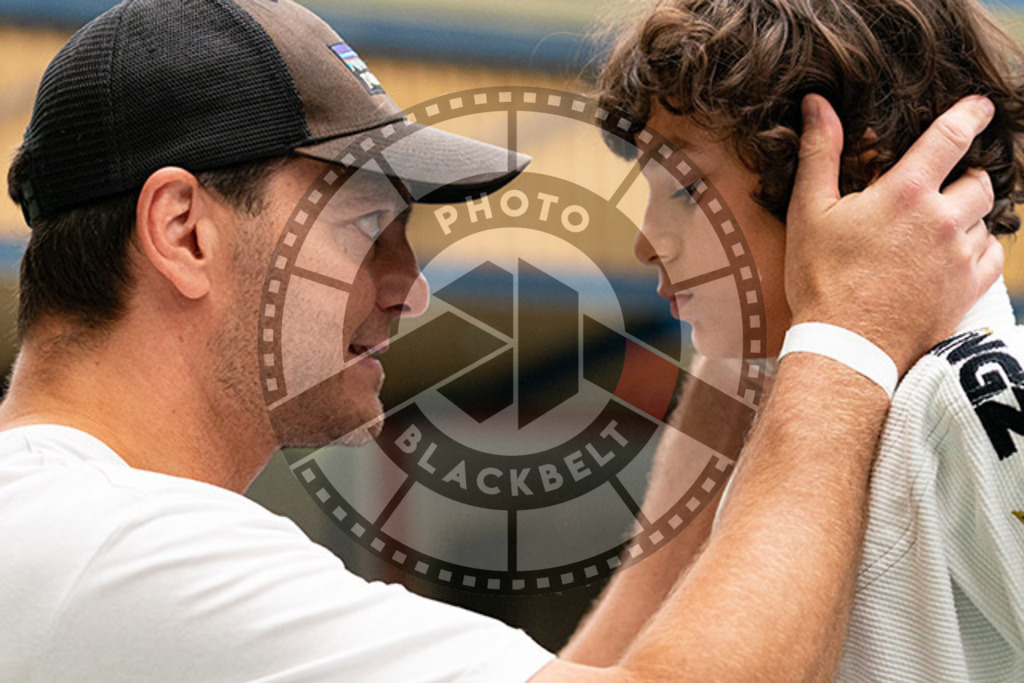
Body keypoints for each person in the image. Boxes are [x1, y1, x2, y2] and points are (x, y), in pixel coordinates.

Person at [0, 0, 1001, 681]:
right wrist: (846, 339)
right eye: (364, 224)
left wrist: (742, 367)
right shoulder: (122, 551)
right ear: (183, 231)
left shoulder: (72, 531)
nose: (413, 284)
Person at [594, 0, 1024, 679]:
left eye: (681, 188)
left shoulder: (973, 391)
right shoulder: (792, 407)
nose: (645, 242)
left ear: (855, 170)